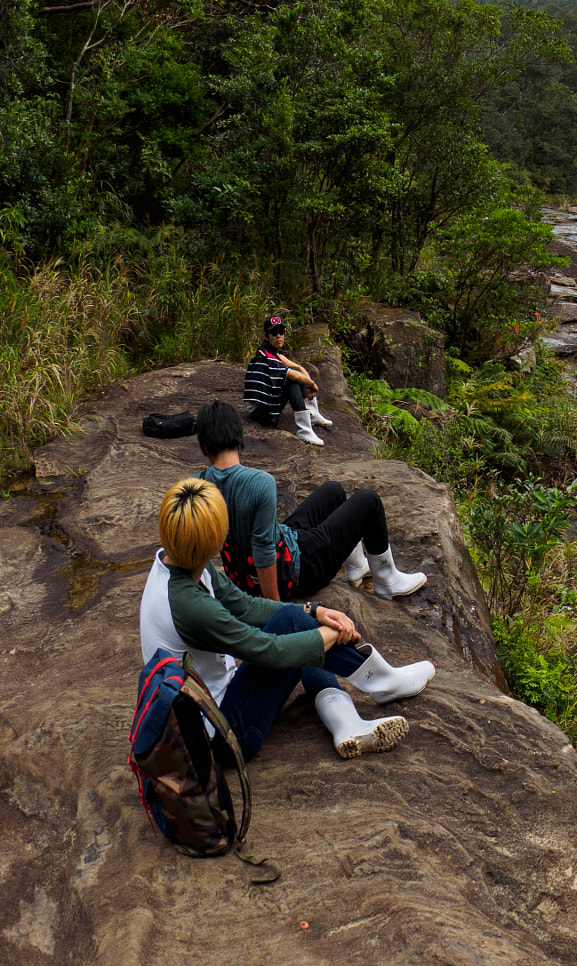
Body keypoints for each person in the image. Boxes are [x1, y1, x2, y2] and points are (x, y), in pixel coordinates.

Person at [139, 478, 434, 760]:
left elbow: (244, 605)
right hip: (225, 737)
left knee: (295, 620)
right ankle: (381, 680)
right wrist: (327, 634)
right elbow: (266, 649)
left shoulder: (178, 559)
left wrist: (313, 611)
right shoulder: (190, 605)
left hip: (207, 711)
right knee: (293, 628)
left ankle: (346, 722)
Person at [194, 401, 429, 602]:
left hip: (257, 567)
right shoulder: (259, 483)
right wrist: (276, 612)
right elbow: (263, 553)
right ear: (239, 440)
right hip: (298, 570)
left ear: (205, 447)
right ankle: (386, 580)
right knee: (369, 501)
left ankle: (357, 567)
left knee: (333, 491)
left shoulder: (197, 485)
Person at [246, 314, 332, 446]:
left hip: (266, 406)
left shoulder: (272, 353)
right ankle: (304, 430)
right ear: (266, 336)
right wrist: (312, 384)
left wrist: (307, 382)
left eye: (281, 332)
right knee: (292, 379)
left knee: (295, 374)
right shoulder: (265, 357)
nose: (278, 336)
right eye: (274, 333)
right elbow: (295, 376)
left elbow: (297, 367)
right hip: (262, 413)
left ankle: (312, 414)